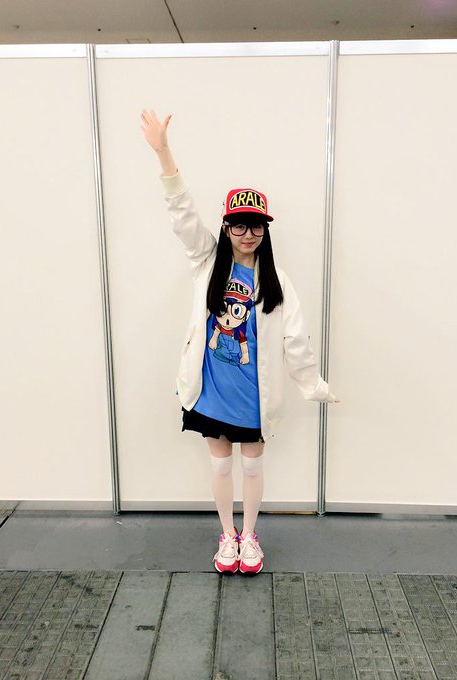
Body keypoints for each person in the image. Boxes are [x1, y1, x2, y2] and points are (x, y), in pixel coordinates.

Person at [140, 108, 340, 575]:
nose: (247, 234)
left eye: (256, 225)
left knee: (251, 466)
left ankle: (250, 536)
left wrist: (314, 386)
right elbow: (182, 214)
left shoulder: (277, 280)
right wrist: (164, 153)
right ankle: (226, 536)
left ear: (265, 230)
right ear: (226, 227)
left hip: (254, 395)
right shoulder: (207, 262)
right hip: (212, 390)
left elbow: (295, 339)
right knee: (219, 466)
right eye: (238, 224)